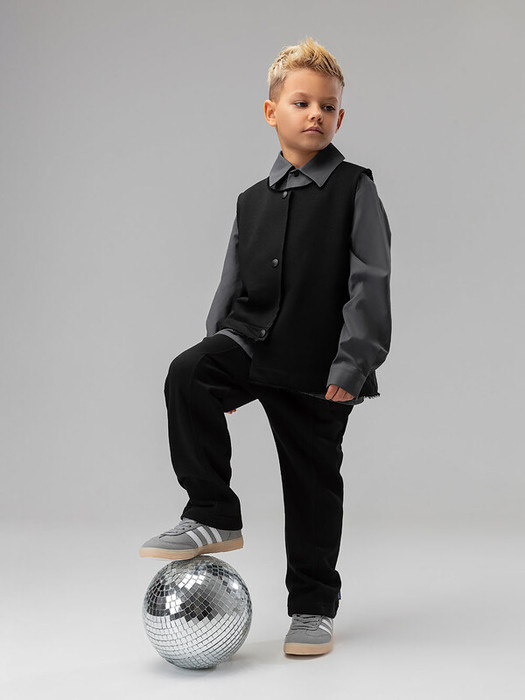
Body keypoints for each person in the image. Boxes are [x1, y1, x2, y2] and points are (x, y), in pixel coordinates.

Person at [139, 36, 392, 656]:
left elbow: (370, 280)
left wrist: (352, 364)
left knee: (311, 485)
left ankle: (312, 608)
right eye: (301, 103)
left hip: (317, 362)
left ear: (340, 118)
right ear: (271, 111)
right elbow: (231, 280)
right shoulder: (250, 200)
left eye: (327, 107)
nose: (315, 115)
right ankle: (212, 511)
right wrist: (217, 353)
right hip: (251, 342)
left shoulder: (355, 188)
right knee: (188, 373)